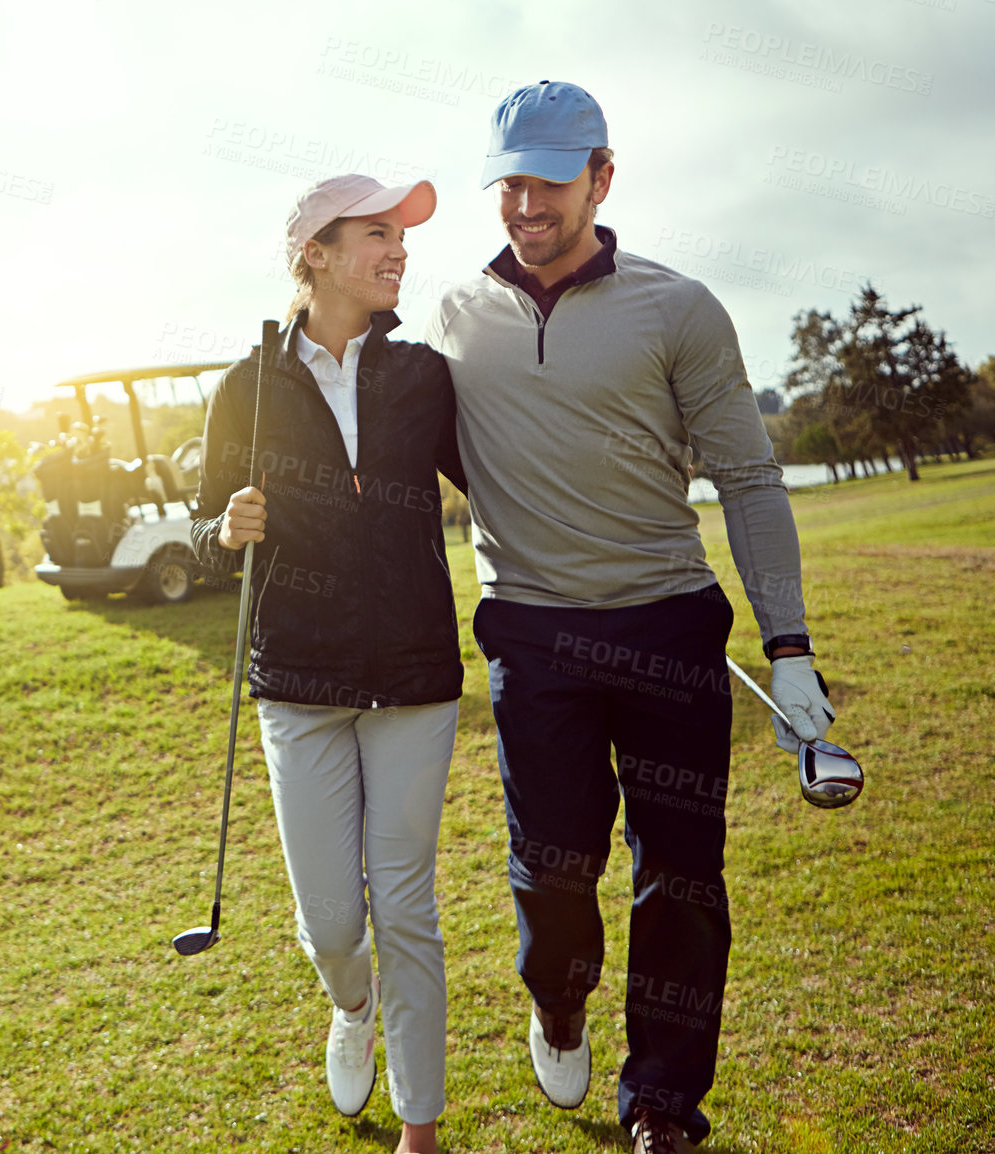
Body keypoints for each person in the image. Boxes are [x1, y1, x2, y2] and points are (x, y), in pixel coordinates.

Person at [424, 82, 840, 1154]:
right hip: (534, 637)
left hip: (668, 628)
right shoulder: (455, 315)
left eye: (549, 181)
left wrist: (788, 646)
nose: (526, 204)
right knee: (553, 872)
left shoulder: (680, 307)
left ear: (602, 177)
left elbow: (748, 478)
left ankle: (664, 1101)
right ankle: (558, 1000)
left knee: (681, 876)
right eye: (509, 182)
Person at [191, 174, 468, 1154]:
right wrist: (225, 523)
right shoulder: (247, 385)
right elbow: (205, 509)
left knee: (405, 906)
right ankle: (351, 1006)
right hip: (298, 682)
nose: (399, 251)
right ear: (314, 253)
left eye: (403, 237)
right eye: (377, 235)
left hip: (415, 679)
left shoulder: (426, 375)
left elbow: (503, 481)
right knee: (331, 925)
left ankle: (419, 1128)